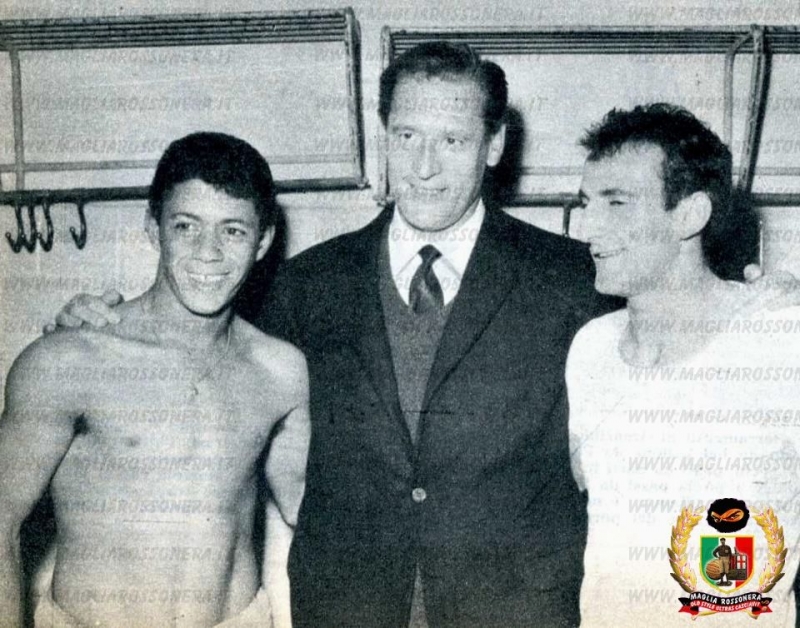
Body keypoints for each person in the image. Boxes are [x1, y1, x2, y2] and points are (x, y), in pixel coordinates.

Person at [49, 47, 794, 627]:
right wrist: (95, 317)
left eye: (453, 139)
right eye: (407, 136)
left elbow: (683, 304)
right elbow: (199, 346)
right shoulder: (302, 284)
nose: (425, 167)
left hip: (518, 616)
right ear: (383, 136)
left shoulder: (578, 279)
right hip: (346, 612)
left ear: (494, 145)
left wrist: (760, 300)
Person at [0, 132, 310, 628]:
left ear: (264, 240)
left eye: (233, 231)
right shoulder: (69, 360)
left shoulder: (281, 371)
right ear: (153, 228)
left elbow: (308, 511)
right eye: (186, 226)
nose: (208, 253)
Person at [567, 103, 800, 626]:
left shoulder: (781, 341)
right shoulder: (590, 349)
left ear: (690, 215)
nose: (587, 229)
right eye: (586, 203)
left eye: (617, 203)